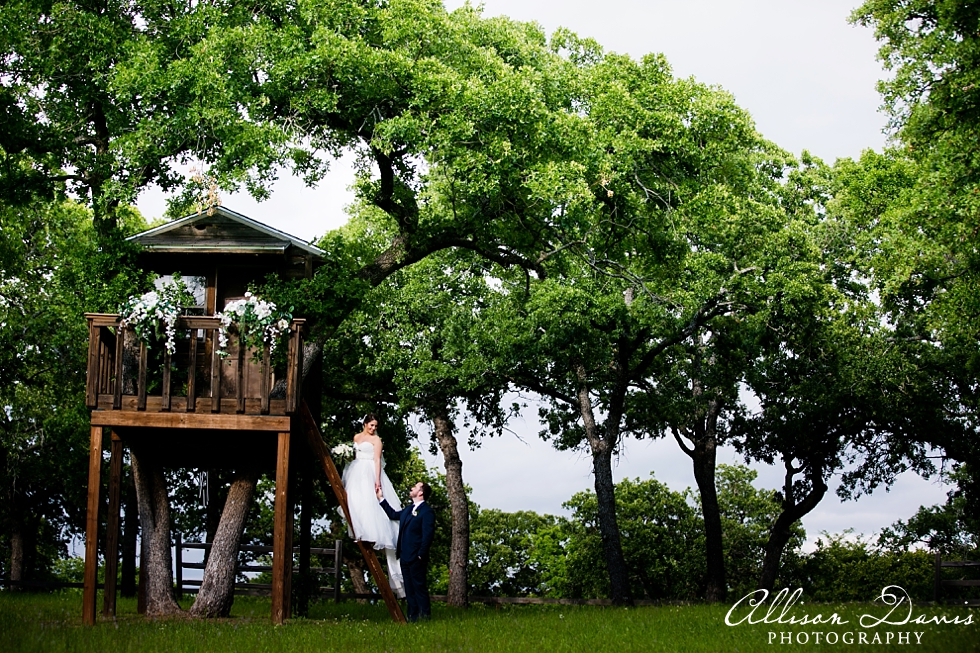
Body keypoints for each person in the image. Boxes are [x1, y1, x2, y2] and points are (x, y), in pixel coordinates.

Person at [340, 414, 405, 598]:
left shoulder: (377, 440)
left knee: (372, 506)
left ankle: (371, 534)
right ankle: (360, 529)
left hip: (370, 471)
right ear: (364, 424)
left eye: (375, 425)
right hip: (356, 471)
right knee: (356, 501)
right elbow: (355, 455)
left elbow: (377, 461)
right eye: (371, 425)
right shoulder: (356, 437)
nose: (373, 428)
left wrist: (377, 482)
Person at [377, 480, 435, 622]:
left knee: (419, 587)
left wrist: (421, 554)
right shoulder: (408, 510)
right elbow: (393, 515)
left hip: (417, 557)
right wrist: (381, 498)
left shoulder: (427, 512)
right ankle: (412, 617)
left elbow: (427, 534)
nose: (411, 488)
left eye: (415, 487)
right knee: (409, 589)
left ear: (421, 492)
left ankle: (425, 617)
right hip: (404, 556)